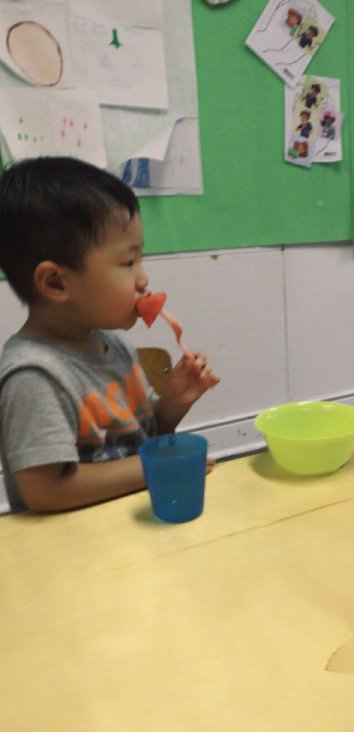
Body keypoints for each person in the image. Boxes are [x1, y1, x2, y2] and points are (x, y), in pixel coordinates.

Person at [0, 156, 219, 513]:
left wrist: (170, 407)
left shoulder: (115, 346)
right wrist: (154, 467)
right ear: (56, 283)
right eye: (128, 263)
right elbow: (47, 491)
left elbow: (142, 439)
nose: (143, 279)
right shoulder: (34, 374)